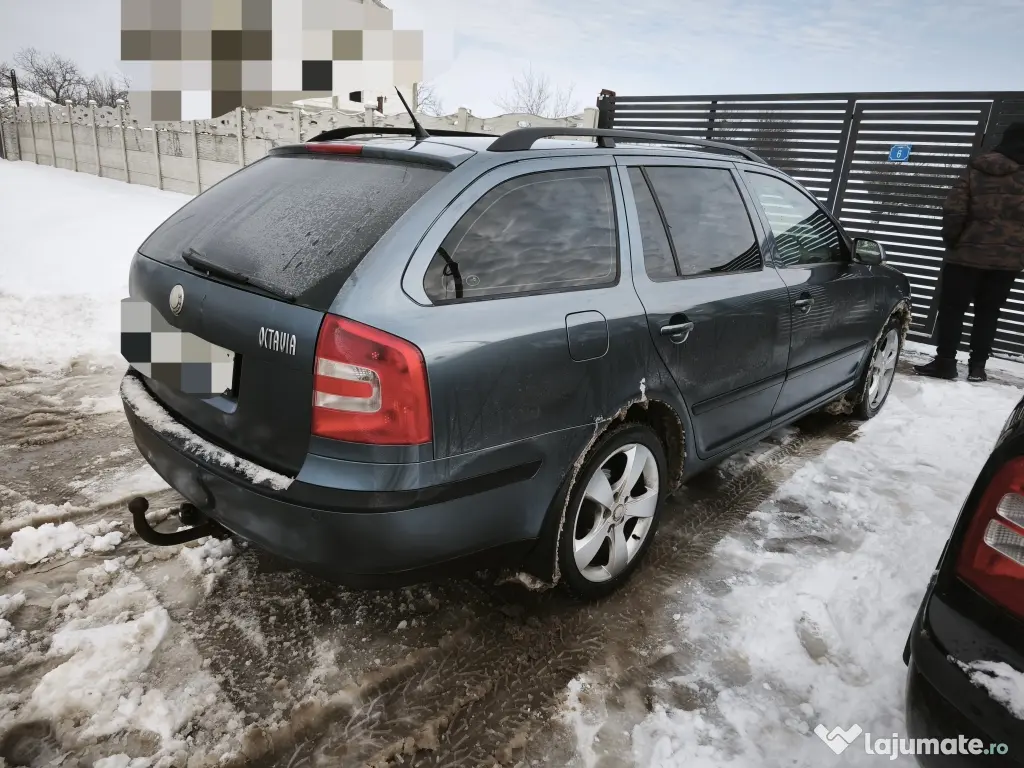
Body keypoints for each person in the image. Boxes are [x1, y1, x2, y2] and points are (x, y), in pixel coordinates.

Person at [914, 122, 1024, 383]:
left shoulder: (978, 168)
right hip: (1006, 262)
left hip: (965, 255)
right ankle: (977, 367)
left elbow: (955, 208)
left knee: (952, 308)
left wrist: (953, 240)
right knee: (989, 313)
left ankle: (946, 363)